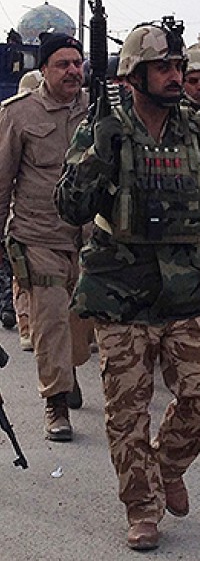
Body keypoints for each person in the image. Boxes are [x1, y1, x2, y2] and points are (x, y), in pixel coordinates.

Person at [54, 20, 200, 551]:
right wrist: (100, 150)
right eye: (162, 68)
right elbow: (70, 207)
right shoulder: (103, 127)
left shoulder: (196, 131)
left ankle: (167, 465)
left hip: (187, 289)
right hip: (120, 292)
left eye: (178, 67)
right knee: (127, 411)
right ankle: (141, 506)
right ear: (133, 76)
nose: (174, 76)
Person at [0, 33, 93, 441]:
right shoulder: (18, 114)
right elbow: (1, 182)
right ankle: (56, 402)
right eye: (62, 64)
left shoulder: (98, 109)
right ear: (43, 70)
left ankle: (67, 368)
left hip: (90, 238)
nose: (73, 71)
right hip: (38, 234)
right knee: (51, 317)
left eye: (77, 63)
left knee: (80, 321)